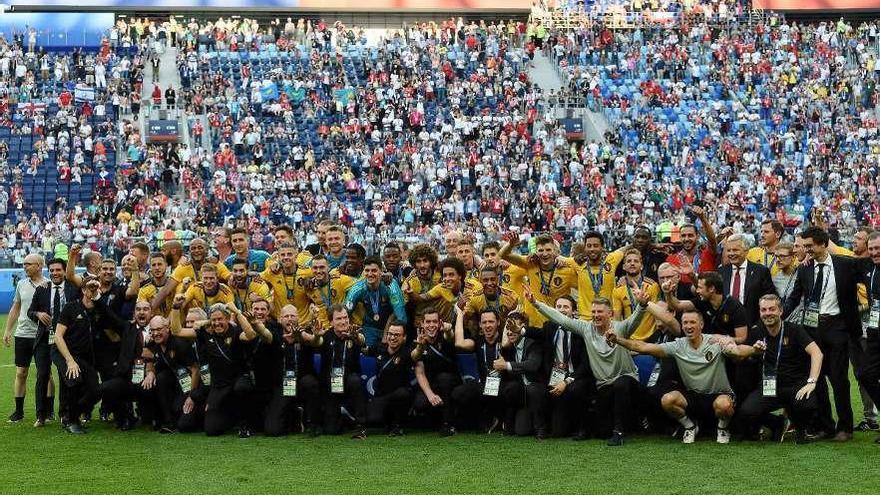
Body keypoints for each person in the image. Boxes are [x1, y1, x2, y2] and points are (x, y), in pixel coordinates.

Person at [528, 286, 672, 446]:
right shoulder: (586, 329)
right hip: (604, 387)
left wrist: (642, 305)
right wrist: (536, 303)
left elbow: (634, 320)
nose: (596, 315)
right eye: (594, 312)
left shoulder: (620, 328)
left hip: (628, 384)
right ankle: (626, 424)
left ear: (610, 314)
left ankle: (619, 432)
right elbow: (561, 319)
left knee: (621, 384)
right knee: (602, 432)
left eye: (600, 312)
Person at [607, 310, 749, 444]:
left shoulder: (715, 342)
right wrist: (618, 340)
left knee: (724, 405)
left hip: (718, 395)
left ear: (701, 325)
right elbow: (642, 347)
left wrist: (754, 349)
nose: (688, 326)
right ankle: (690, 427)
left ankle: (723, 428)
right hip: (693, 396)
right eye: (685, 323)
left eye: (692, 322)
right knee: (668, 399)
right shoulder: (678, 345)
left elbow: (739, 350)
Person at [783, 227, 866, 441]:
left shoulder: (845, 264)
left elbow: (869, 272)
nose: (807, 250)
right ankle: (825, 425)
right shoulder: (805, 268)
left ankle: (845, 427)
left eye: (810, 246)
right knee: (816, 379)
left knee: (839, 380)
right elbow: (795, 297)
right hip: (812, 328)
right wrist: (780, 318)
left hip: (838, 327)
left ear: (822, 244)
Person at [736, 295, 823, 444]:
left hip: (794, 385)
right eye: (763, 310)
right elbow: (739, 352)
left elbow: (817, 353)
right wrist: (753, 350)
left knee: (807, 405)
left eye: (772, 309)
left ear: (780, 311)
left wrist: (812, 382)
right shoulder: (757, 331)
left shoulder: (794, 330)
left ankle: (801, 428)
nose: (767, 313)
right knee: (746, 412)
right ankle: (777, 423)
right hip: (769, 387)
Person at [169, 300, 257, 438]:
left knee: (242, 388)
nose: (217, 323)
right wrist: (175, 307)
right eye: (214, 320)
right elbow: (176, 331)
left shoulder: (236, 331)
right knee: (212, 430)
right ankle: (230, 418)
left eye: (220, 319)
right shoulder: (206, 333)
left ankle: (245, 424)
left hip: (237, 380)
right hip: (219, 385)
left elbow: (251, 334)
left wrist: (237, 312)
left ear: (228, 318)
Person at [520, 294, 592, 440]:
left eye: (566, 307)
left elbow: (585, 365)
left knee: (576, 390)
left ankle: (582, 429)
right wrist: (521, 331)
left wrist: (566, 382)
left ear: (574, 311)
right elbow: (537, 333)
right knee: (534, 389)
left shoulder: (582, 331)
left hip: (574, 379)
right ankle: (541, 429)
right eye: (558, 307)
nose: (561, 310)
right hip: (553, 378)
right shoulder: (550, 326)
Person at [27, 257, 79, 426]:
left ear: (64, 271)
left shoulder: (73, 289)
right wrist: (38, 314)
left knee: (65, 375)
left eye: (58, 270)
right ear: (48, 272)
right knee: (42, 375)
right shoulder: (42, 289)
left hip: (65, 340)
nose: (55, 273)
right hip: (44, 339)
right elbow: (30, 311)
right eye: (52, 270)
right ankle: (40, 416)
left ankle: (64, 414)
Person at [54, 278, 107, 434]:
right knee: (74, 380)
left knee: (95, 390)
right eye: (89, 288)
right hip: (65, 353)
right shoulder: (71, 308)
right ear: (83, 290)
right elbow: (58, 336)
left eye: (95, 288)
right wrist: (69, 361)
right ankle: (71, 421)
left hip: (85, 357)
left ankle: (73, 415)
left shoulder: (99, 309)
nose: (92, 290)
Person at [4, 254, 52, 425]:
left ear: (39, 265)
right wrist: (8, 330)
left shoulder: (49, 285)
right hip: (23, 334)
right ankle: (19, 411)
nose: (24, 267)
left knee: (45, 374)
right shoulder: (21, 284)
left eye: (28, 264)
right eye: (24, 264)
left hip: (43, 334)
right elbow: (16, 307)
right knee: (20, 372)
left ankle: (48, 410)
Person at [262, 304, 320, 436]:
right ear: (280, 319)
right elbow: (263, 333)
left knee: (310, 383)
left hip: (302, 384)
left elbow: (317, 341)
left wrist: (310, 334)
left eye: (293, 316)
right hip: (283, 385)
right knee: (272, 430)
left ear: (298, 318)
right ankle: (294, 414)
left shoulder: (305, 334)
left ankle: (312, 423)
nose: (290, 319)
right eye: (286, 316)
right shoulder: (274, 334)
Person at [498, 233, 578, 327]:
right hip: (534, 325)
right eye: (540, 250)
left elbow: (582, 288)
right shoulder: (530, 263)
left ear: (555, 251)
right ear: (536, 251)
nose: (544, 254)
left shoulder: (566, 270)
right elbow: (503, 255)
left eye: (548, 250)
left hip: (557, 326)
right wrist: (511, 244)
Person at [451, 306, 509, 433]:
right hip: (485, 386)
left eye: (491, 321)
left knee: (511, 390)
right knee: (459, 393)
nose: (487, 325)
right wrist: (460, 315)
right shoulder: (478, 341)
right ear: (480, 325)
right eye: (484, 322)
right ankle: (479, 420)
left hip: (504, 386)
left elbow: (507, 342)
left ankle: (504, 419)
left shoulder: (505, 341)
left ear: (498, 322)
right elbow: (459, 343)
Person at [313, 305, 367, 439]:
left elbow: (362, 341)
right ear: (331, 322)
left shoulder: (354, 334)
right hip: (331, 386)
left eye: (345, 317)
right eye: (339, 319)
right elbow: (316, 342)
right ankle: (343, 418)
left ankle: (361, 426)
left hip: (349, 383)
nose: (343, 321)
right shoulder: (325, 336)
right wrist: (316, 336)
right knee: (331, 430)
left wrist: (356, 337)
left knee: (355, 380)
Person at [142, 313, 200, 434]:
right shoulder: (152, 342)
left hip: (190, 383)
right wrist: (151, 372)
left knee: (184, 423)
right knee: (159, 378)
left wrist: (191, 396)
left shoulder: (179, 343)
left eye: (159, 329)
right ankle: (166, 421)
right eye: (152, 330)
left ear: (167, 328)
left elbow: (195, 370)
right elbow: (147, 358)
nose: (156, 333)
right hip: (173, 380)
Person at [412, 306, 460, 436]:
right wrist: (430, 395)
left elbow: (449, 336)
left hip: (451, 383)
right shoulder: (418, 340)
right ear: (422, 323)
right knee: (420, 403)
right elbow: (419, 370)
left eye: (434, 321)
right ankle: (432, 422)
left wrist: (448, 331)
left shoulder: (444, 336)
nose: (431, 325)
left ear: (439, 323)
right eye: (428, 322)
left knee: (444, 379)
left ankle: (447, 424)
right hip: (430, 384)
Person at [496, 311, 545, 437]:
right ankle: (506, 424)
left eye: (513, 328)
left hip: (538, 393)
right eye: (507, 328)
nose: (510, 332)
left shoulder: (534, 343)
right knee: (521, 431)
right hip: (522, 396)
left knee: (533, 389)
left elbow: (532, 365)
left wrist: (507, 365)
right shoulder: (509, 349)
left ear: (522, 327)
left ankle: (541, 427)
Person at [364, 319, 413, 436]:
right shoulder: (379, 348)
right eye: (390, 334)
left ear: (404, 337)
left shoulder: (407, 351)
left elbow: (417, 354)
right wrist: (357, 338)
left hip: (400, 395)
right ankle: (388, 423)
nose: (392, 338)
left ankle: (398, 426)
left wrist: (421, 346)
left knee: (403, 394)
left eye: (397, 335)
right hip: (381, 396)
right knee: (373, 419)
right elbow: (364, 349)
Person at [344, 256, 407, 345]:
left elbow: (401, 317)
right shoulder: (358, 288)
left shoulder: (390, 285)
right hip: (369, 329)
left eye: (374, 270)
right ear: (363, 271)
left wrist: (389, 334)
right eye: (367, 270)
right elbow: (345, 312)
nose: (370, 274)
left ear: (381, 271)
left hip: (390, 329)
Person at [719, 234, 777, 326]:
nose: (731, 254)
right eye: (728, 250)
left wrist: (759, 325)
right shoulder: (721, 272)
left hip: (753, 327)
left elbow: (770, 298)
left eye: (735, 250)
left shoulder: (761, 271)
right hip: (726, 327)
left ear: (746, 251)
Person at [856, 232, 880, 442]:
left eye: (877, 248)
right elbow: (838, 255)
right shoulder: (867, 267)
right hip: (874, 333)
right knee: (865, 374)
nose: (874, 253)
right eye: (871, 249)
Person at [611, 249, 660, 341]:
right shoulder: (618, 290)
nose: (632, 263)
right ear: (624, 267)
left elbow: (657, 316)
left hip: (649, 338)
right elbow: (617, 319)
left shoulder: (652, 286)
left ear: (641, 266)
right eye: (629, 261)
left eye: (636, 261)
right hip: (628, 338)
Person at [575, 231, 625, 320]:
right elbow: (556, 257)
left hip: (608, 319)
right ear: (585, 248)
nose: (592, 249)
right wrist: (558, 262)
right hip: (585, 321)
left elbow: (626, 248)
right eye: (589, 246)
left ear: (602, 247)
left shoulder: (611, 260)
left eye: (596, 245)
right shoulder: (577, 264)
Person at [665, 207, 719, 285]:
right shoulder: (671, 260)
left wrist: (702, 218)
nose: (686, 239)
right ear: (680, 237)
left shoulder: (707, 254)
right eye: (683, 236)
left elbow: (712, 241)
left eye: (690, 235)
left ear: (697, 237)